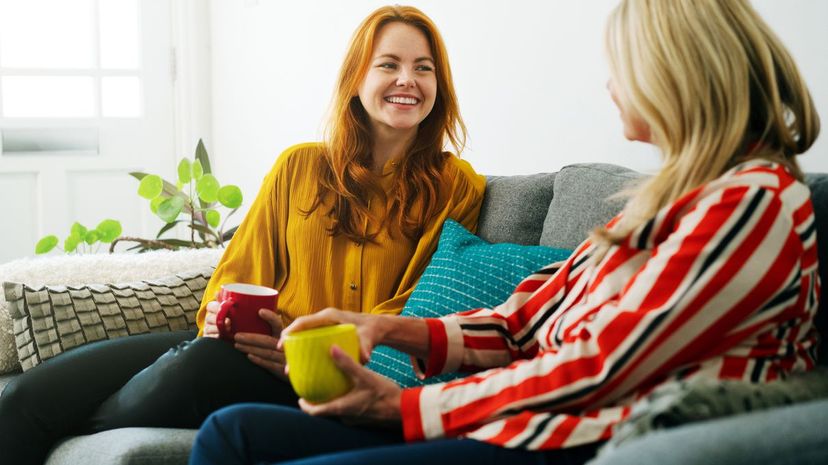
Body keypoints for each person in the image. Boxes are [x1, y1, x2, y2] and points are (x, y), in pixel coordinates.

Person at [188, 0, 822, 464]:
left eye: (621, 67)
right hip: (515, 423)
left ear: (678, 76)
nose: (608, 85)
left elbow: (602, 367)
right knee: (231, 433)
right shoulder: (662, 205)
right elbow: (521, 323)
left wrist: (402, 407)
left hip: (569, 437)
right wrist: (384, 329)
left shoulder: (751, 202)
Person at [0, 6, 485, 465]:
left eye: (424, 68)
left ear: (438, 86)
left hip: (316, 372)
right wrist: (219, 314)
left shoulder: (455, 185)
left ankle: (67, 431)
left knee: (196, 369)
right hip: (247, 348)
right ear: (357, 79)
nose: (407, 80)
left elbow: (417, 305)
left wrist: (306, 347)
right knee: (23, 394)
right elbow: (239, 270)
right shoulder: (300, 166)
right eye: (389, 65)